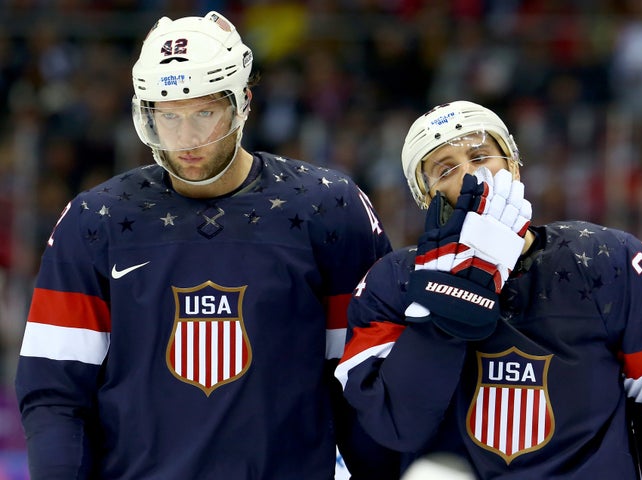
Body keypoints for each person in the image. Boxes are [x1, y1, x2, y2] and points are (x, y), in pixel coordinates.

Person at [14, 11, 393, 479]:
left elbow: (364, 382)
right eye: (168, 116)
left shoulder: (330, 210)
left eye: (204, 113)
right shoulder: (96, 221)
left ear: (243, 102)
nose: (186, 139)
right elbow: (55, 392)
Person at [335, 100, 642, 479]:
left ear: (513, 164)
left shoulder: (605, 259)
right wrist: (448, 306)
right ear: (426, 197)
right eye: (445, 169)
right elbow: (392, 427)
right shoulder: (391, 283)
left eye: (481, 155)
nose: (470, 176)